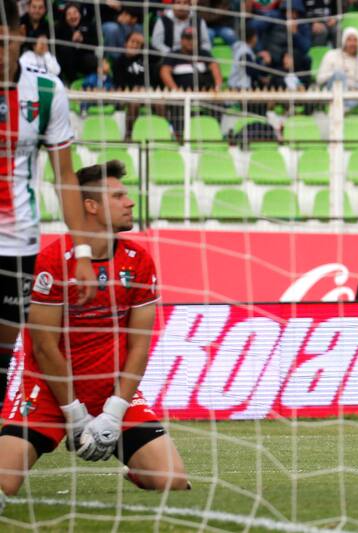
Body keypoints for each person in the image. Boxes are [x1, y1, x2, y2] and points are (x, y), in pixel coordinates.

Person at [0, 161, 190, 515]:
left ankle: (134, 467)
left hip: (111, 390)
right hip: (48, 391)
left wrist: (114, 413)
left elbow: (139, 344)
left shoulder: (139, 260)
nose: (130, 202)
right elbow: (43, 346)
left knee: (173, 482)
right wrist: (74, 414)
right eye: (118, 195)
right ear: (90, 206)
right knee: (3, 484)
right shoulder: (53, 260)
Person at [0, 0, 95, 416]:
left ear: (19, 36)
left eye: (3, 40)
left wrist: (85, 251)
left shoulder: (45, 90)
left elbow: (65, 177)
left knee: (2, 357)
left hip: (18, 245)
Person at [317, 27, 358, 137]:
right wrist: (339, 75)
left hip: (354, 97)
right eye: (349, 39)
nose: (352, 43)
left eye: (355, 40)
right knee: (339, 74)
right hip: (333, 92)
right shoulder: (331, 55)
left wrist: (354, 86)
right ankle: (340, 109)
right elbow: (320, 79)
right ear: (344, 41)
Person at [249, 0, 312, 89]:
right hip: (272, 58)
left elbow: (306, 48)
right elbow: (252, 28)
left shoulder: (302, 24)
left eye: (295, 11)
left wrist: (295, 34)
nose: (292, 14)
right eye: (290, 10)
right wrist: (261, 50)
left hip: (293, 60)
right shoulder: (273, 16)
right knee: (260, 62)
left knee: (306, 60)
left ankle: (301, 89)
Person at [160, 27, 222, 92]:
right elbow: (165, 72)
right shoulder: (173, 55)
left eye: (194, 39)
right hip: (181, 93)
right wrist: (176, 90)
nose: (191, 42)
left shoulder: (204, 53)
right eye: (188, 38)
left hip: (204, 92)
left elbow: (215, 67)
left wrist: (217, 88)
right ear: (182, 40)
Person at [54, 2, 99, 84]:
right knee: (65, 51)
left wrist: (83, 39)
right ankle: (71, 81)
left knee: (92, 60)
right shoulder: (59, 28)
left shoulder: (89, 26)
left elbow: (96, 43)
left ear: (80, 14)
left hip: (83, 58)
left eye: (75, 13)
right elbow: (57, 47)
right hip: (67, 60)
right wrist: (71, 39)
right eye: (69, 14)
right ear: (65, 17)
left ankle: (90, 82)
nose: (72, 16)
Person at [228, 25, 270, 89]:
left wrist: (257, 58)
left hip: (235, 85)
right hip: (239, 88)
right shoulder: (244, 51)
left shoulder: (240, 47)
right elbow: (250, 71)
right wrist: (263, 62)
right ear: (253, 37)